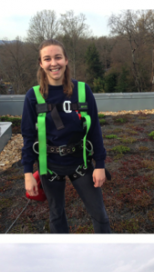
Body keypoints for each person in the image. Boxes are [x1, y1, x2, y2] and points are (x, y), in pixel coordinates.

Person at [21, 39, 109, 233]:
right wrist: (28, 173)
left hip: (81, 163)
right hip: (50, 166)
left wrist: (100, 165)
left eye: (58, 57)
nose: (54, 63)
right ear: (41, 63)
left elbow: (95, 129)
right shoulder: (33, 96)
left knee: (100, 215)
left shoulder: (82, 91)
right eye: (47, 59)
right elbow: (28, 137)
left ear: (66, 60)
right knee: (56, 216)